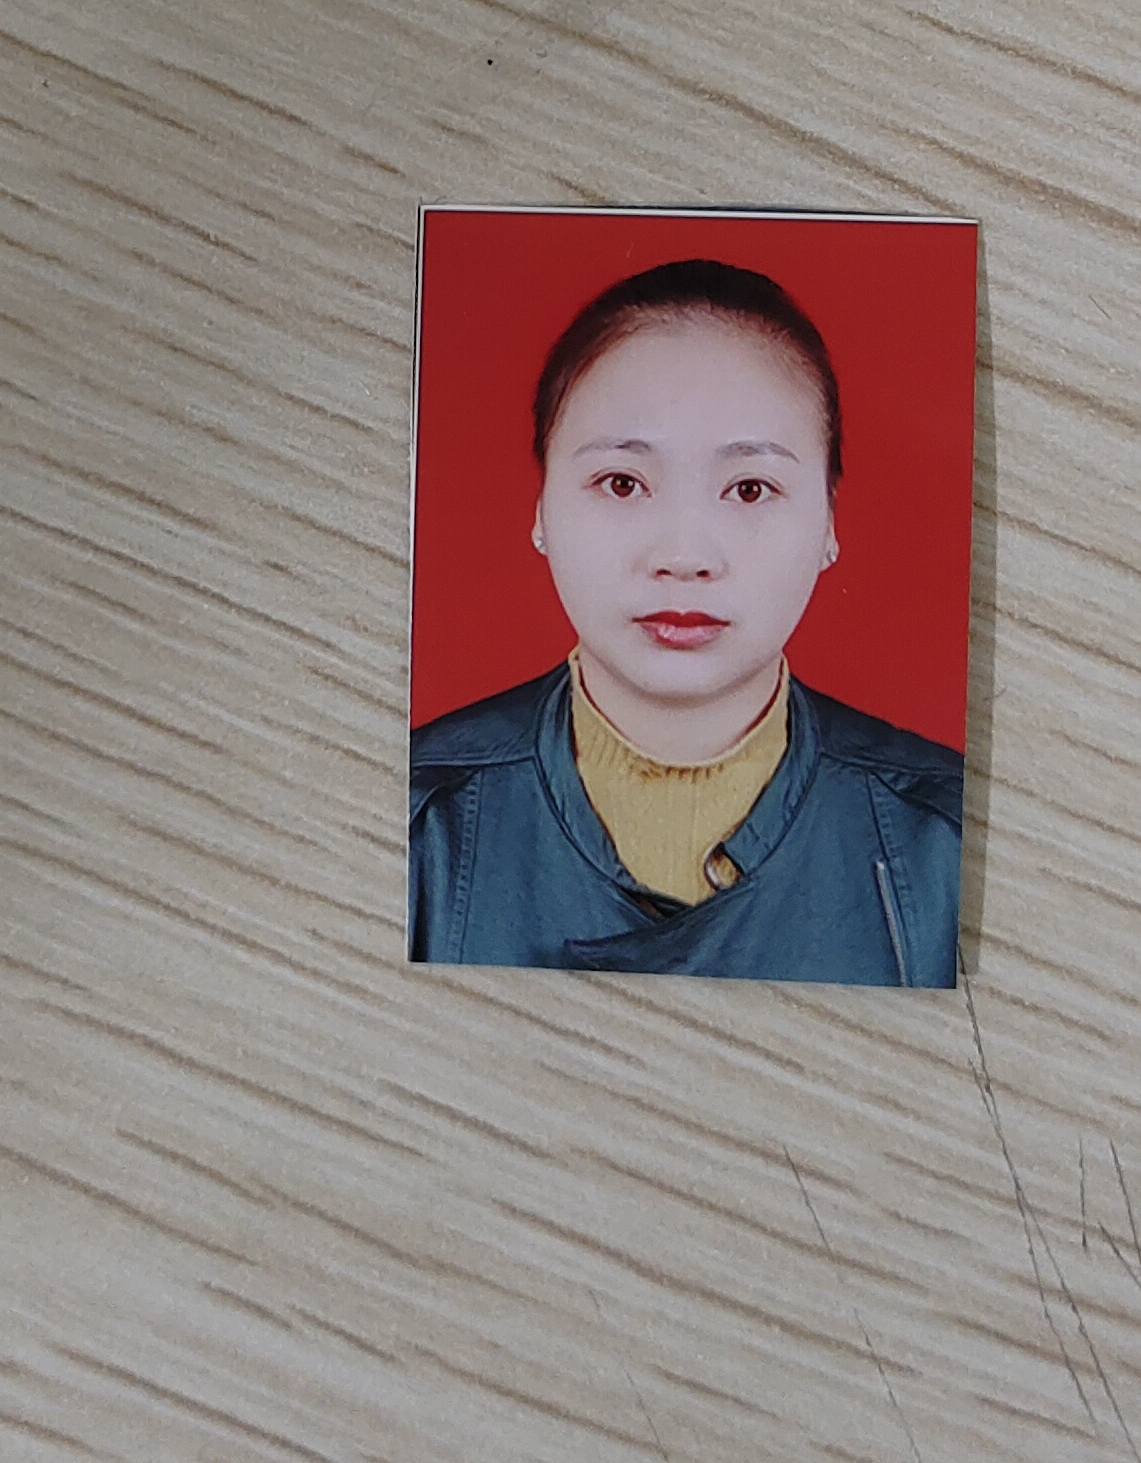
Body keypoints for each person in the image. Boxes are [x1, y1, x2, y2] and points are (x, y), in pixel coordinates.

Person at [409, 258, 964, 983]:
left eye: (750, 489)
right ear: (542, 510)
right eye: (622, 483)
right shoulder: (414, 819)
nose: (683, 557)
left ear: (829, 524)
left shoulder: (945, 836)